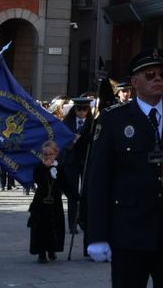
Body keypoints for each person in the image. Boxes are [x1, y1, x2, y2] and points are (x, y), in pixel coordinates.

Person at [83, 47, 163, 287]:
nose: (158, 79)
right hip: (129, 233)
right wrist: (96, 235)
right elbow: (98, 180)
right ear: (134, 82)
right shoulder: (114, 120)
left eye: (162, 75)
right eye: (150, 75)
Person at [28, 140, 66, 263]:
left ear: (56, 154)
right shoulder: (38, 168)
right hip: (41, 202)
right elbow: (39, 182)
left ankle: (52, 249)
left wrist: (75, 197)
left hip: (55, 202)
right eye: (45, 154)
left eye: (50, 154)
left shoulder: (59, 167)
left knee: (54, 226)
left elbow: (65, 184)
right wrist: (46, 168)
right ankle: (41, 253)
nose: (48, 157)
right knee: (41, 227)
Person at [61, 96, 94, 237]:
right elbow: (61, 140)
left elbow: (95, 142)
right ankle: (72, 223)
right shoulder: (67, 123)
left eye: (85, 109)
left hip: (86, 161)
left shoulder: (93, 124)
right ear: (74, 109)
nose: (82, 112)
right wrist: (71, 142)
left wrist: (86, 139)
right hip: (71, 161)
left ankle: (83, 220)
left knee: (86, 192)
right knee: (72, 193)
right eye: (79, 109)